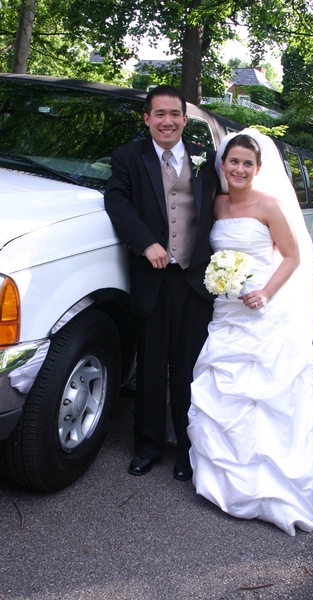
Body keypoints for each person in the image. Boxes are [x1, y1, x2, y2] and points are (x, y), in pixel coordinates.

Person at [187, 129, 313, 535]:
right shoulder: (217, 204)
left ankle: (272, 490)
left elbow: (294, 256)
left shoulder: (270, 205)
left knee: (266, 395)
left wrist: (265, 293)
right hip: (226, 311)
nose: (239, 169)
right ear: (223, 165)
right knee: (223, 387)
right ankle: (222, 481)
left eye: (247, 163)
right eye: (233, 161)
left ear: (258, 169)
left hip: (261, 310)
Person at [104, 85, 218, 481]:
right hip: (152, 277)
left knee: (188, 369)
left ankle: (187, 450)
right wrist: (145, 242)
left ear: (185, 119)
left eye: (174, 114)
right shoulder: (127, 157)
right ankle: (148, 447)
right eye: (159, 114)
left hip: (194, 280)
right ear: (147, 119)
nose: (167, 121)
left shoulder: (207, 161)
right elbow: (117, 202)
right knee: (151, 367)